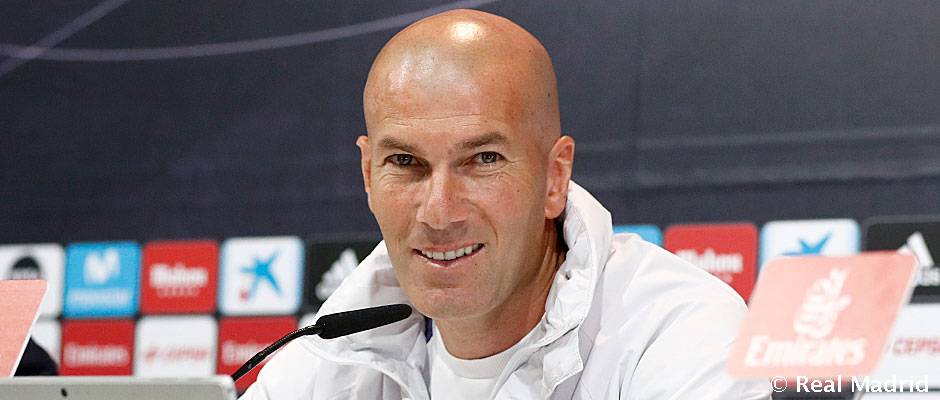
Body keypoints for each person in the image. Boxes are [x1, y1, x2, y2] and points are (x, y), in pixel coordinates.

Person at [242, 9, 771, 400]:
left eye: (483, 160)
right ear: (367, 174)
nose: (438, 213)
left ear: (555, 176)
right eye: (405, 162)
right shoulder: (326, 354)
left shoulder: (676, 331)